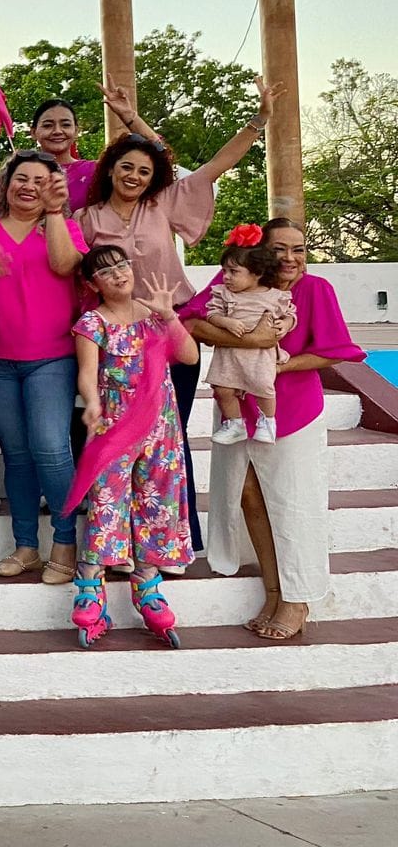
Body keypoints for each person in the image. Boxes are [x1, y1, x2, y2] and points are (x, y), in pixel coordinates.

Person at [76, 76, 281, 556]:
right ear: (110, 170)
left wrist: (259, 120)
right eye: (126, 167)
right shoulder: (87, 219)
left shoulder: (161, 204)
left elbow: (214, 166)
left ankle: (176, 538)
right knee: (118, 439)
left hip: (170, 332)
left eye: (143, 171)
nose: (134, 176)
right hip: (116, 341)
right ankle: (117, 540)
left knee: (169, 437)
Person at [183, 217, 365, 642]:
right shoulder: (236, 278)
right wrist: (251, 343)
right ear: (261, 252)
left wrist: (277, 364)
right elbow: (190, 321)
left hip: (293, 408)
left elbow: (334, 351)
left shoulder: (316, 289)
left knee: (293, 503)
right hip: (237, 405)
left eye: (298, 249)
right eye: (279, 248)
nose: (290, 258)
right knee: (246, 494)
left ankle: (297, 599)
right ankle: (273, 591)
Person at [0, 152, 85, 583]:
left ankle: (66, 542)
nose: (29, 186)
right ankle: (26, 546)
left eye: (41, 180)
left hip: (53, 357)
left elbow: (65, 266)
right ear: (5, 183)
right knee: (16, 456)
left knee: (51, 448)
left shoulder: (65, 228)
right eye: (22, 178)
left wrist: (54, 213)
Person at [69, 247, 197, 649]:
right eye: (105, 271)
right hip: (115, 426)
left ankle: (148, 586)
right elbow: (87, 374)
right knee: (107, 501)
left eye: (122, 265)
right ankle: (91, 586)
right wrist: (92, 404)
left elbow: (189, 356)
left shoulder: (154, 314)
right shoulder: (92, 323)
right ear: (93, 284)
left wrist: (170, 315)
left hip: (161, 427)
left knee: (158, 502)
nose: (118, 274)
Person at [205, 235, 296, 445]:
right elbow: (211, 314)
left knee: (264, 387)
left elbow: (291, 314)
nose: (226, 277)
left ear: (257, 273)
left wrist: (286, 324)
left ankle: (268, 422)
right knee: (222, 389)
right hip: (229, 354)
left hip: (259, 355)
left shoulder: (275, 296)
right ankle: (235, 424)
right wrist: (225, 322)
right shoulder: (223, 294)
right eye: (224, 271)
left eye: (233, 272)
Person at [29, 86, 161, 212]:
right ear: (33, 132)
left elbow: (159, 155)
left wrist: (129, 116)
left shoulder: (96, 171)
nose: (57, 131)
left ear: (76, 131)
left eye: (66, 125)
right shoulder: (22, 173)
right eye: (48, 125)